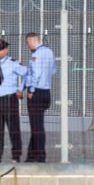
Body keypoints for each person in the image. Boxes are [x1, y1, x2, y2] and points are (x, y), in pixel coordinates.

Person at [0, 38, 29, 163]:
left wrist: (20, 88)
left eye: (1, 49)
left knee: (14, 130)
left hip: (9, 99)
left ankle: (16, 156)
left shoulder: (13, 63)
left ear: (6, 50)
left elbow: (28, 73)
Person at [23, 32, 56, 163]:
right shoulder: (49, 52)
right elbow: (53, 69)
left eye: (27, 43)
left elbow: (35, 73)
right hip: (46, 91)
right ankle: (31, 155)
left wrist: (31, 89)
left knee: (36, 126)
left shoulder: (36, 54)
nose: (28, 46)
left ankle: (40, 156)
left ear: (31, 41)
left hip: (36, 91)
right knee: (37, 125)